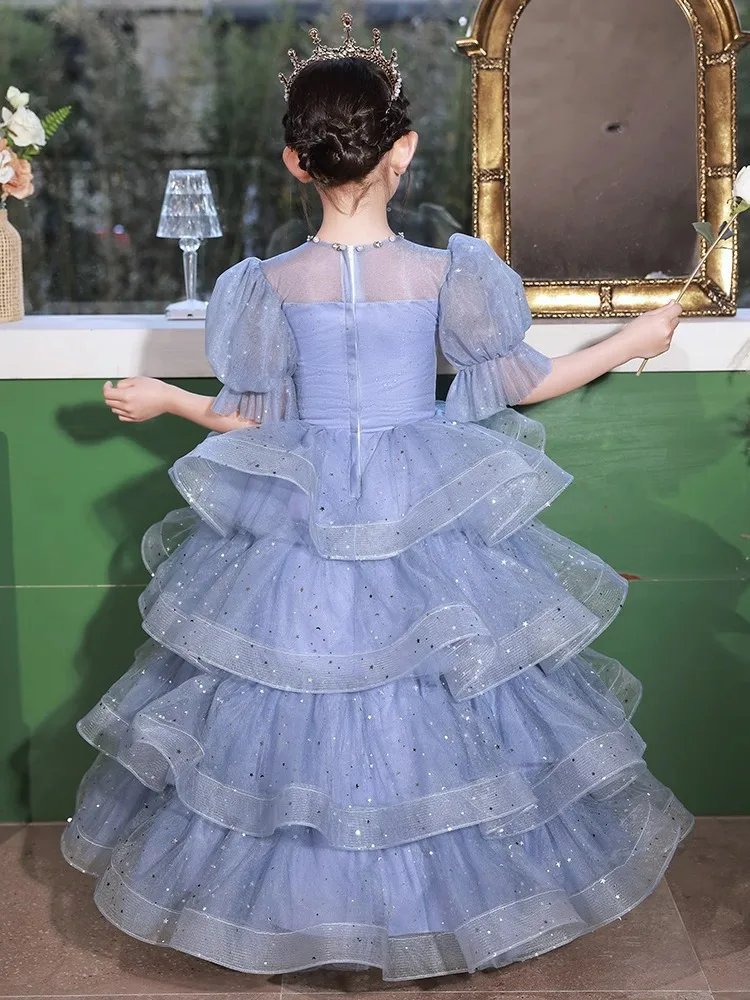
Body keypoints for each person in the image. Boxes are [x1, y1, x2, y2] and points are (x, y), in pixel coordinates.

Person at [62, 14, 691, 981]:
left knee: (300, 712)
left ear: (292, 160)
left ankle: (316, 915)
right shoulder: (448, 272)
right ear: (403, 149)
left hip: (302, 520)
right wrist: (632, 339)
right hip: (424, 508)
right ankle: (429, 917)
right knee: (433, 705)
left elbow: (249, 422)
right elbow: (523, 380)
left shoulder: (267, 286)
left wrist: (166, 400)